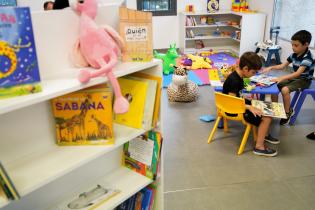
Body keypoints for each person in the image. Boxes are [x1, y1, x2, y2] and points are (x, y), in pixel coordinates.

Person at [223, 51, 278, 157]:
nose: (254, 75)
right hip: (234, 110)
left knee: (267, 107)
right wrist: (249, 107)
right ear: (245, 69)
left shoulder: (241, 75)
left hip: (240, 104)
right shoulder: (234, 80)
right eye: (253, 72)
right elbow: (231, 102)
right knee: (267, 117)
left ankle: (264, 133)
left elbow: (245, 86)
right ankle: (259, 147)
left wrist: (250, 87)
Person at [263, 30, 314, 125]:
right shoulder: (293, 55)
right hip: (295, 78)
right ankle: (276, 108)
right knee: (274, 86)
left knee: (285, 90)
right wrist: (271, 67)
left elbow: (298, 73)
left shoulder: (307, 58)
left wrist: (281, 78)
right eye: (292, 45)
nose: (293, 47)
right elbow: (282, 66)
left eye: (296, 45)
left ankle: (287, 113)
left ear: (306, 44)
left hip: (304, 80)